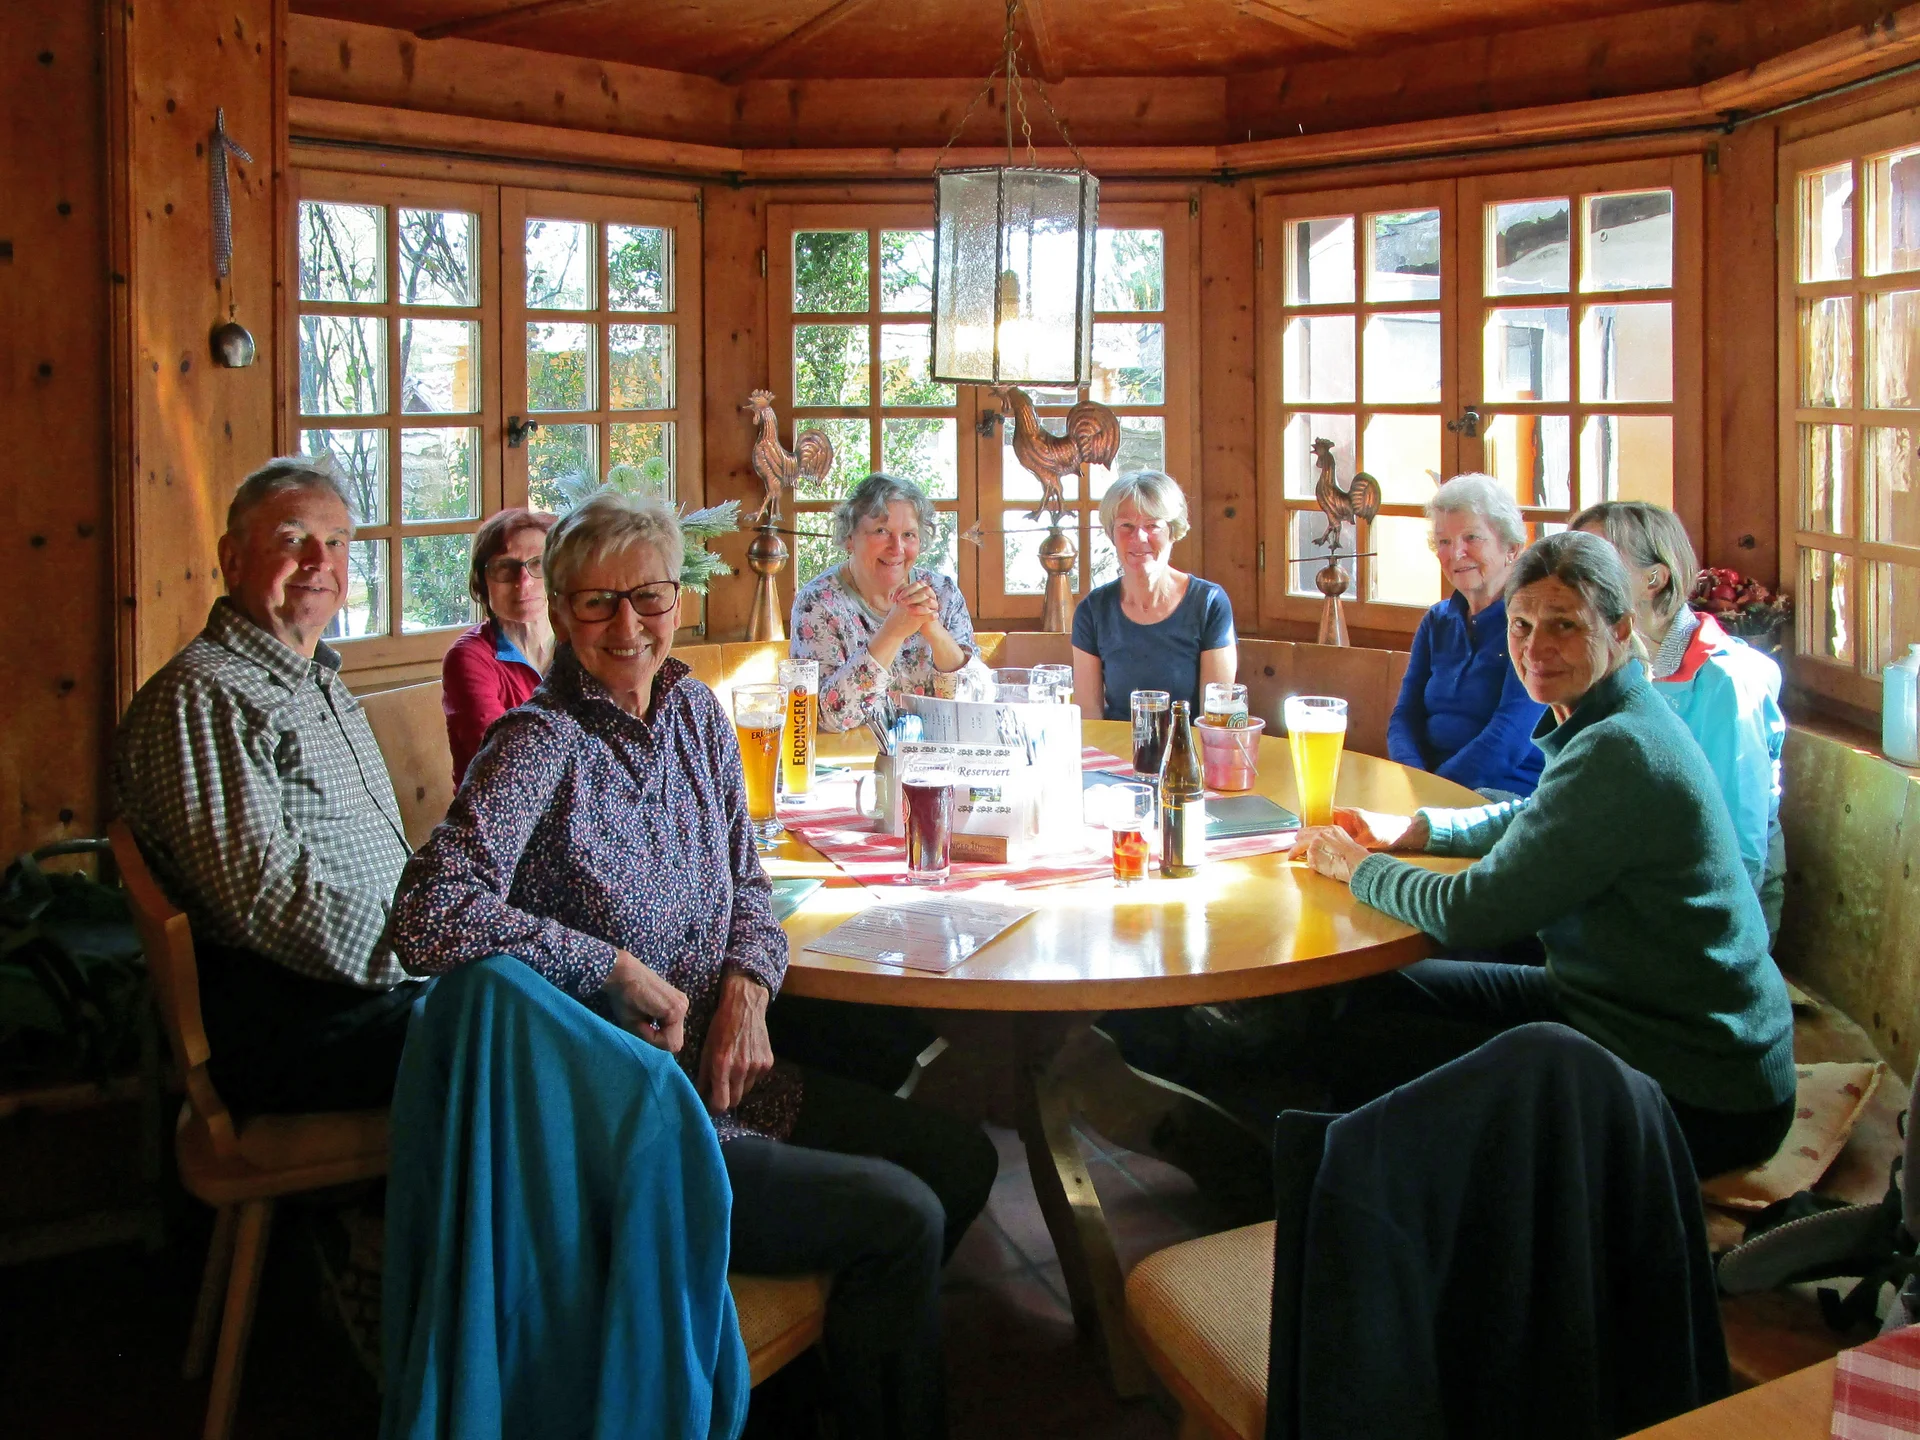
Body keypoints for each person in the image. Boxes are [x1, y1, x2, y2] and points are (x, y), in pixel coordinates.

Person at [388, 489, 997, 1440]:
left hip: (730, 1082)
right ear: (559, 607)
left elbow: (750, 888)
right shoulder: (538, 746)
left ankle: (817, 1389)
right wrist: (609, 967)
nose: (628, 625)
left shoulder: (695, 715)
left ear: (676, 599)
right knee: (903, 1215)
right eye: (596, 602)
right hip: (634, 1122)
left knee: (962, 1160)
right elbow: (425, 918)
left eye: (651, 597)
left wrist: (749, 991)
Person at [1291, 531, 1795, 1180]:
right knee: (1372, 996)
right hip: (1625, 1011)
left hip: (1699, 1088)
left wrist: (1356, 866)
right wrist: (1416, 830)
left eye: (1565, 625)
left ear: (1617, 629)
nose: (1535, 648)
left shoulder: (1620, 748)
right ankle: (1363, 1173)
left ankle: (1356, 1193)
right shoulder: (1617, 712)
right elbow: (1539, 815)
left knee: (1368, 1036)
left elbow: (1471, 912)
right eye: (1521, 624)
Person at [111, 457, 421, 1116]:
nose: (319, 560)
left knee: (574, 998)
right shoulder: (207, 695)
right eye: (291, 539)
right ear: (232, 556)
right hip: (298, 1024)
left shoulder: (316, 681)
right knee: (550, 1035)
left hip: (361, 995)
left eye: (336, 542)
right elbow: (266, 899)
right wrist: (427, 949)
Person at [1574, 500, 1787, 943]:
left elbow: (1738, 849)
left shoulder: (1724, 680)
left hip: (1707, 917)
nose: (1574, 579)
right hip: (1625, 888)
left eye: (1595, 563)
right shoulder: (1611, 658)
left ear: (1654, 579)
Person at [1387, 473, 1548, 798]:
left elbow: (1508, 741)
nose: (1455, 552)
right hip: (1427, 792)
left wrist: (1435, 792)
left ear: (1512, 548)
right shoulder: (1437, 620)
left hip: (1504, 796)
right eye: (1444, 541)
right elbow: (1404, 717)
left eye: (1471, 537)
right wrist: (1414, 779)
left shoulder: (1532, 625)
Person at [791, 473, 978, 733]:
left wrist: (933, 630)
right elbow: (827, 719)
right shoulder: (818, 603)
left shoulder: (943, 593)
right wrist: (893, 631)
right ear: (849, 537)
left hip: (933, 761)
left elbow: (977, 699)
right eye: (881, 531)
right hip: (851, 764)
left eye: (909, 535)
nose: (897, 548)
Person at [1070, 471, 1235, 721]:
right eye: (1126, 526)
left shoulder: (1209, 603)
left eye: (1152, 525)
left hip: (1186, 754)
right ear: (1111, 533)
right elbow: (1089, 719)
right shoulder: (1092, 610)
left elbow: (1216, 719)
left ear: (1173, 531)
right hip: (1115, 755)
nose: (1139, 538)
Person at [442, 507, 557, 787]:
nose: (524, 582)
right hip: (500, 817)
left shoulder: (584, 647)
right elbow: (500, 762)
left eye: (538, 564)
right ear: (483, 582)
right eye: (505, 567)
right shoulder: (470, 657)